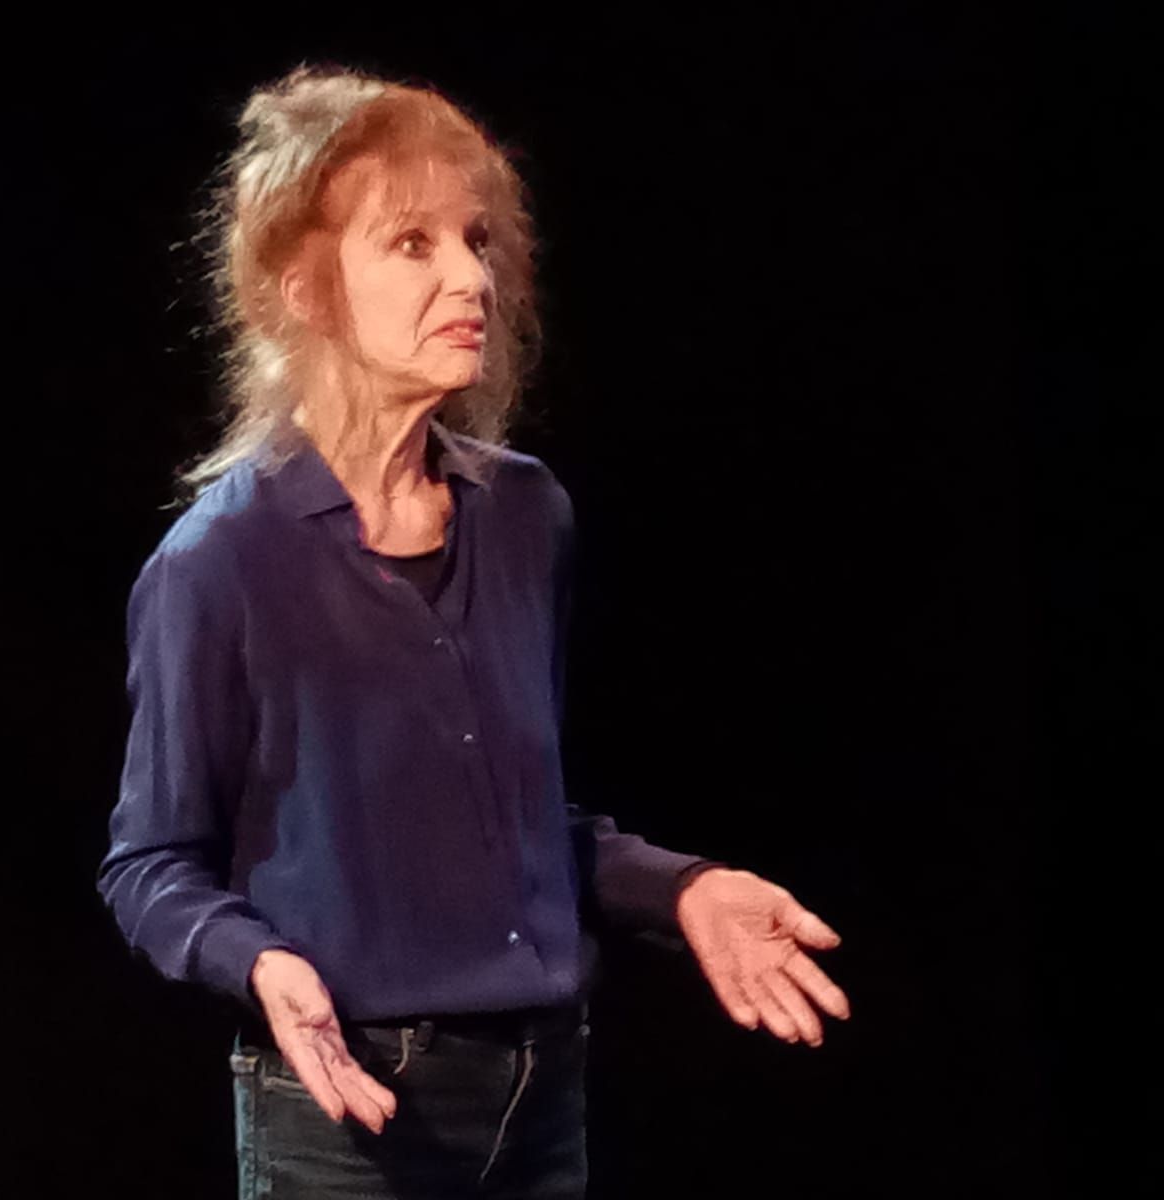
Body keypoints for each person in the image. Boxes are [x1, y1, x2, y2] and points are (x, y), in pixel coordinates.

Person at [97, 63, 850, 1199]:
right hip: (346, 1110)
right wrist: (260, 964)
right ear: (303, 289)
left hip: (543, 1094)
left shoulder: (525, 516)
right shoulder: (221, 563)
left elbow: (511, 824)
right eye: (414, 243)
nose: (471, 278)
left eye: (477, 241)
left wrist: (682, 889)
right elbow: (149, 865)